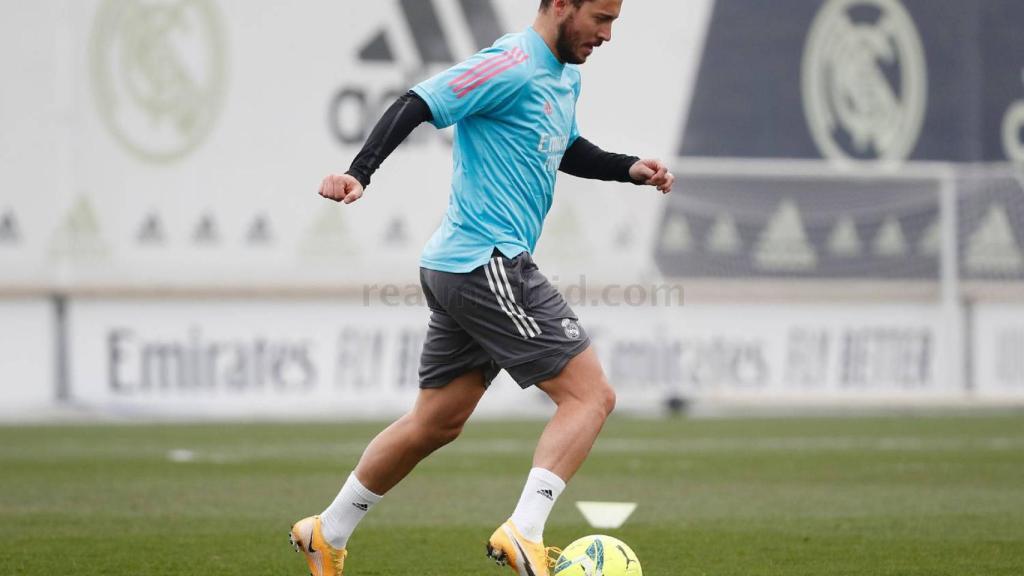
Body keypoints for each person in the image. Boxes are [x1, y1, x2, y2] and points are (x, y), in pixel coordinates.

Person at [290, 1, 673, 574]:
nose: (607, 34)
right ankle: (524, 532)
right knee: (590, 396)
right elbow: (419, 100)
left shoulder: (563, 77)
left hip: (458, 265)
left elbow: (563, 147)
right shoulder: (511, 62)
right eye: (600, 17)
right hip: (486, 261)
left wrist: (627, 168)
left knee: (436, 421)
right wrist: (359, 171)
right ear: (562, 6)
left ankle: (327, 530)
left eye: (614, 21)